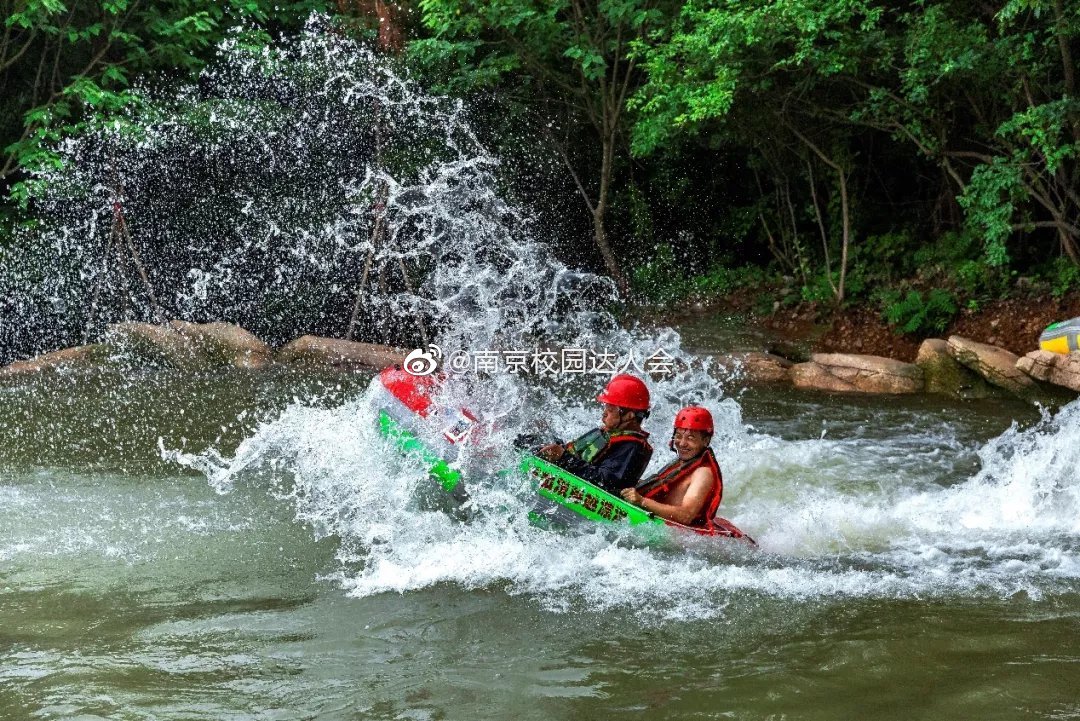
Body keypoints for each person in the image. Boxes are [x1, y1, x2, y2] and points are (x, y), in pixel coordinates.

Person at [536, 374, 653, 493]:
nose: (604, 413)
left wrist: (564, 458)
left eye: (611, 410)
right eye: (605, 407)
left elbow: (604, 482)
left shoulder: (632, 447)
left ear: (630, 415)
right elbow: (575, 452)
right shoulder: (609, 434)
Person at [620, 405, 723, 531]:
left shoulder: (703, 473)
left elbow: (686, 516)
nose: (682, 443)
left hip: (682, 537)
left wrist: (642, 501)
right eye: (679, 436)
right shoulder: (683, 462)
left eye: (691, 438)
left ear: (706, 441)